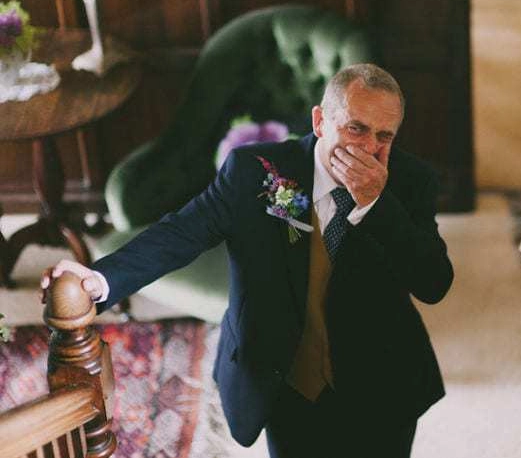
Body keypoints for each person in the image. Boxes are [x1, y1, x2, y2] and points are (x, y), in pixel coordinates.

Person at [42, 63, 454, 458]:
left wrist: (376, 205)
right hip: (285, 380)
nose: (368, 148)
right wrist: (101, 278)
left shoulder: (411, 182)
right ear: (319, 122)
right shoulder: (254, 172)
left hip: (381, 382)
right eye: (356, 128)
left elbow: (434, 282)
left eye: (384, 136)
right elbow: (182, 232)